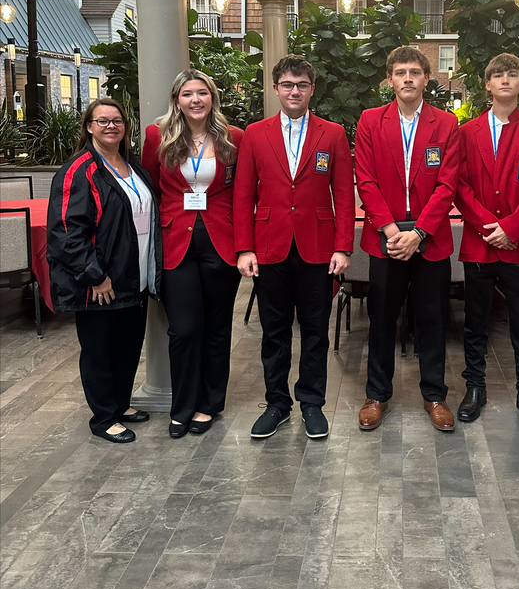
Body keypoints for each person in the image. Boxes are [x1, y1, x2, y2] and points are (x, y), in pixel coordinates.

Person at [234, 55, 355, 440]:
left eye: (301, 84)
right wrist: (244, 248)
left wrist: (343, 246)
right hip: (269, 247)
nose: (294, 91)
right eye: (287, 84)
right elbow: (242, 195)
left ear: (312, 89)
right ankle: (276, 403)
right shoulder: (255, 133)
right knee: (274, 332)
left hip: (318, 248)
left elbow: (344, 194)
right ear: (275, 89)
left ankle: (312, 403)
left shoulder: (332, 133)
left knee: (316, 330)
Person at [355, 46, 459, 432]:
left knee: (432, 320)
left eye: (416, 72)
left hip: (429, 238)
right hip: (386, 237)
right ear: (390, 80)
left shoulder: (446, 124)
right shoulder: (369, 121)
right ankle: (376, 396)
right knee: (381, 320)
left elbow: (448, 184)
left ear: (427, 78)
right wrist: (391, 229)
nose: (408, 78)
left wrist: (418, 232)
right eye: (401, 72)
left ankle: (435, 396)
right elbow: (364, 179)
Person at [47, 98, 161, 443]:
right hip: (100, 282)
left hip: (133, 276)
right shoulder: (79, 171)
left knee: (127, 346)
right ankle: (103, 418)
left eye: (117, 121)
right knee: (99, 350)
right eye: (103, 121)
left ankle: (120, 404)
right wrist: (95, 275)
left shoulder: (133, 167)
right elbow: (65, 231)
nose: (111, 126)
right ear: (89, 127)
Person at [455, 54, 519, 428]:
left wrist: (511, 229)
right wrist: (489, 227)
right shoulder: (465, 133)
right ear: (487, 84)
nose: (504, 80)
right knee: (475, 321)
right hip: (480, 244)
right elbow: (459, 187)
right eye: (497, 75)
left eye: (511, 75)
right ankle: (475, 387)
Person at [142, 69, 244, 439]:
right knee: (184, 330)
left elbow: (243, 191)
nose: (196, 100)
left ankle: (209, 405)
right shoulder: (157, 136)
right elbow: (151, 189)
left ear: (212, 98)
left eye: (203, 93)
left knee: (217, 330)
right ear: (177, 100)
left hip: (222, 241)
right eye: (188, 94)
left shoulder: (234, 138)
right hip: (175, 242)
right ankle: (182, 406)